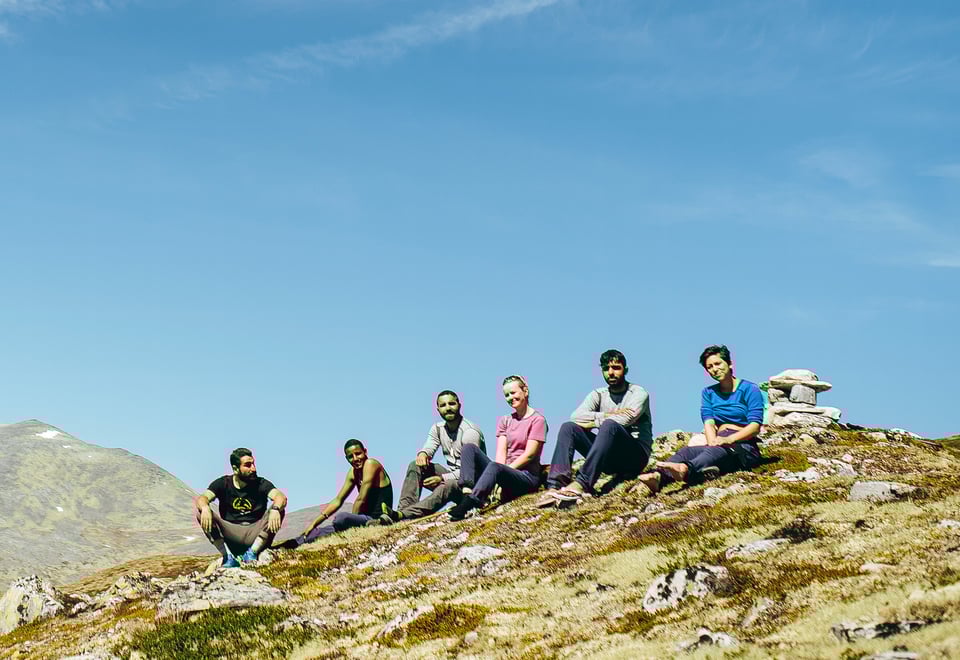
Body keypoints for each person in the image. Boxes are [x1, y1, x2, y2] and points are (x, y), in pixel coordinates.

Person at [636, 345, 764, 495]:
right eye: (709, 367)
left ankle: (686, 470)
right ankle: (658, 476)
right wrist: (713, 442)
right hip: (719, 442)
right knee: (686, 451)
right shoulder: (708, 393)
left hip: (744, 445)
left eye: (718, 364)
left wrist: (729, 439)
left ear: (729, 364)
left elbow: (755, 426)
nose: (714, 369)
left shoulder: (750, 389)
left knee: (713, 453)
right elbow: (709, 422)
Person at [539, 349, 653, 505]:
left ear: (625, 370)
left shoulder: (638, 393)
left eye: (616, 368)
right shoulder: (598, 394)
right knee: (569, 428)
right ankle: (555, 486)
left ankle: (582, 484)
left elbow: (626, 418)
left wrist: (596, 421)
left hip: (635, 457)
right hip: (608, 457)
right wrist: (604, 416)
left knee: (610, 426)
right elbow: (576, 417)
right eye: (606, 369)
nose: (610, 373)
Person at [447, 375, 546, 520]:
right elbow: (501, 452)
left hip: (526, 477)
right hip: (505, 471)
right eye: (506, 395)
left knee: (496, 467)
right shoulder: (505, 420)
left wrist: (504, 471)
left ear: (525, 391)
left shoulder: (538, 420)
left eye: (513, 393)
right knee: (469, 448)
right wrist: (500, 475)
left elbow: (530, 454)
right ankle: (467, 493)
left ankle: (473, 502)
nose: (510, 397)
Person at [380, 390, 486, 525]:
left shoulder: (470, 432)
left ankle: (404, 515)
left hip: (472, 485)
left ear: (459, 405)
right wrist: (423, 454)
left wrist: (442, 478)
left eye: (452, 404)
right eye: (443, 405)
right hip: (453, 478)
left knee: (447, 485)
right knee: (415, 465)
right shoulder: (437, 428)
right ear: (438, 409)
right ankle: (401, 512)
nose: (448, 408)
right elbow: (429, 447)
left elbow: (471, 470)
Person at [195, 447, 287, 567]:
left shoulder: (261, 483)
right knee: (201, 512)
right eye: (248, 465)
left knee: (279, 509)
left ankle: (252, 553)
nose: (253, 468)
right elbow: (202, 498)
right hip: (231, 533)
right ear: (235, 469)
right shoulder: (223, 483)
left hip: (256, 533)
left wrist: (275, 509)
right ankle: (227, 557)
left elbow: (280, 497)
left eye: (253, 464)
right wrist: (205, 508)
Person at [292, 439, 393, 545]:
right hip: (362, 519)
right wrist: (314, 523)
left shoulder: (371, 464)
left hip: (376, 518)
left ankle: (373, 524)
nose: (355, 459)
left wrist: (353, 525)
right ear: (346, 458)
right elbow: (338, 500)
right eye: (350, 456)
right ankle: (287, 545)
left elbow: (361, 499)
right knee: (312, 534)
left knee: (341, 518)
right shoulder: (353, 473)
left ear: (365, 452)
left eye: (358, 454)